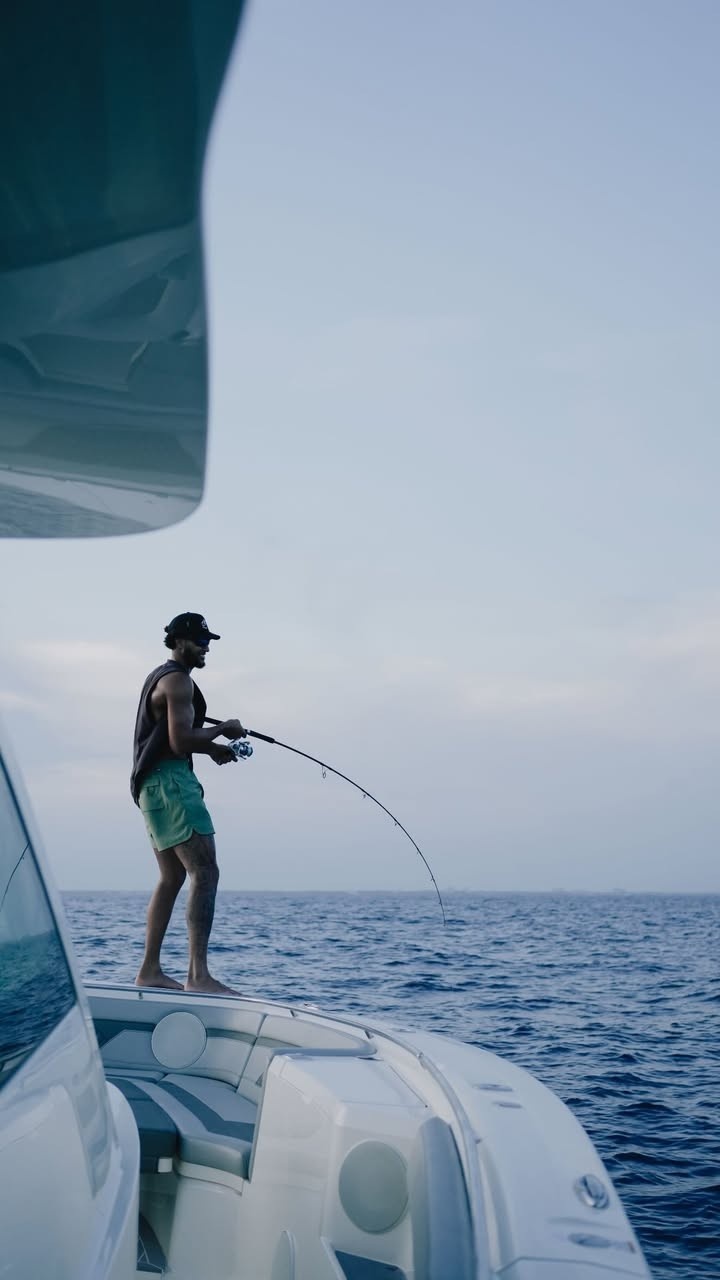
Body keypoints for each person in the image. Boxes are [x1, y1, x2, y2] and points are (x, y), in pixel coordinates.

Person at [130, 612, 247, 994]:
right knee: (205, 873)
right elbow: (180, 742)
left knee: (173, 876)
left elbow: (172, 736)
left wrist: (212, 748)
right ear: (179, 641)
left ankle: (150, 971)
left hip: (152, 786)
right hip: (171, 782)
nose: (206, 647)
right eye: (200, 641)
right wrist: (223, 729)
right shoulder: (178, 681)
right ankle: (199, 977)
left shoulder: (160, 678)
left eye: (208, 641)